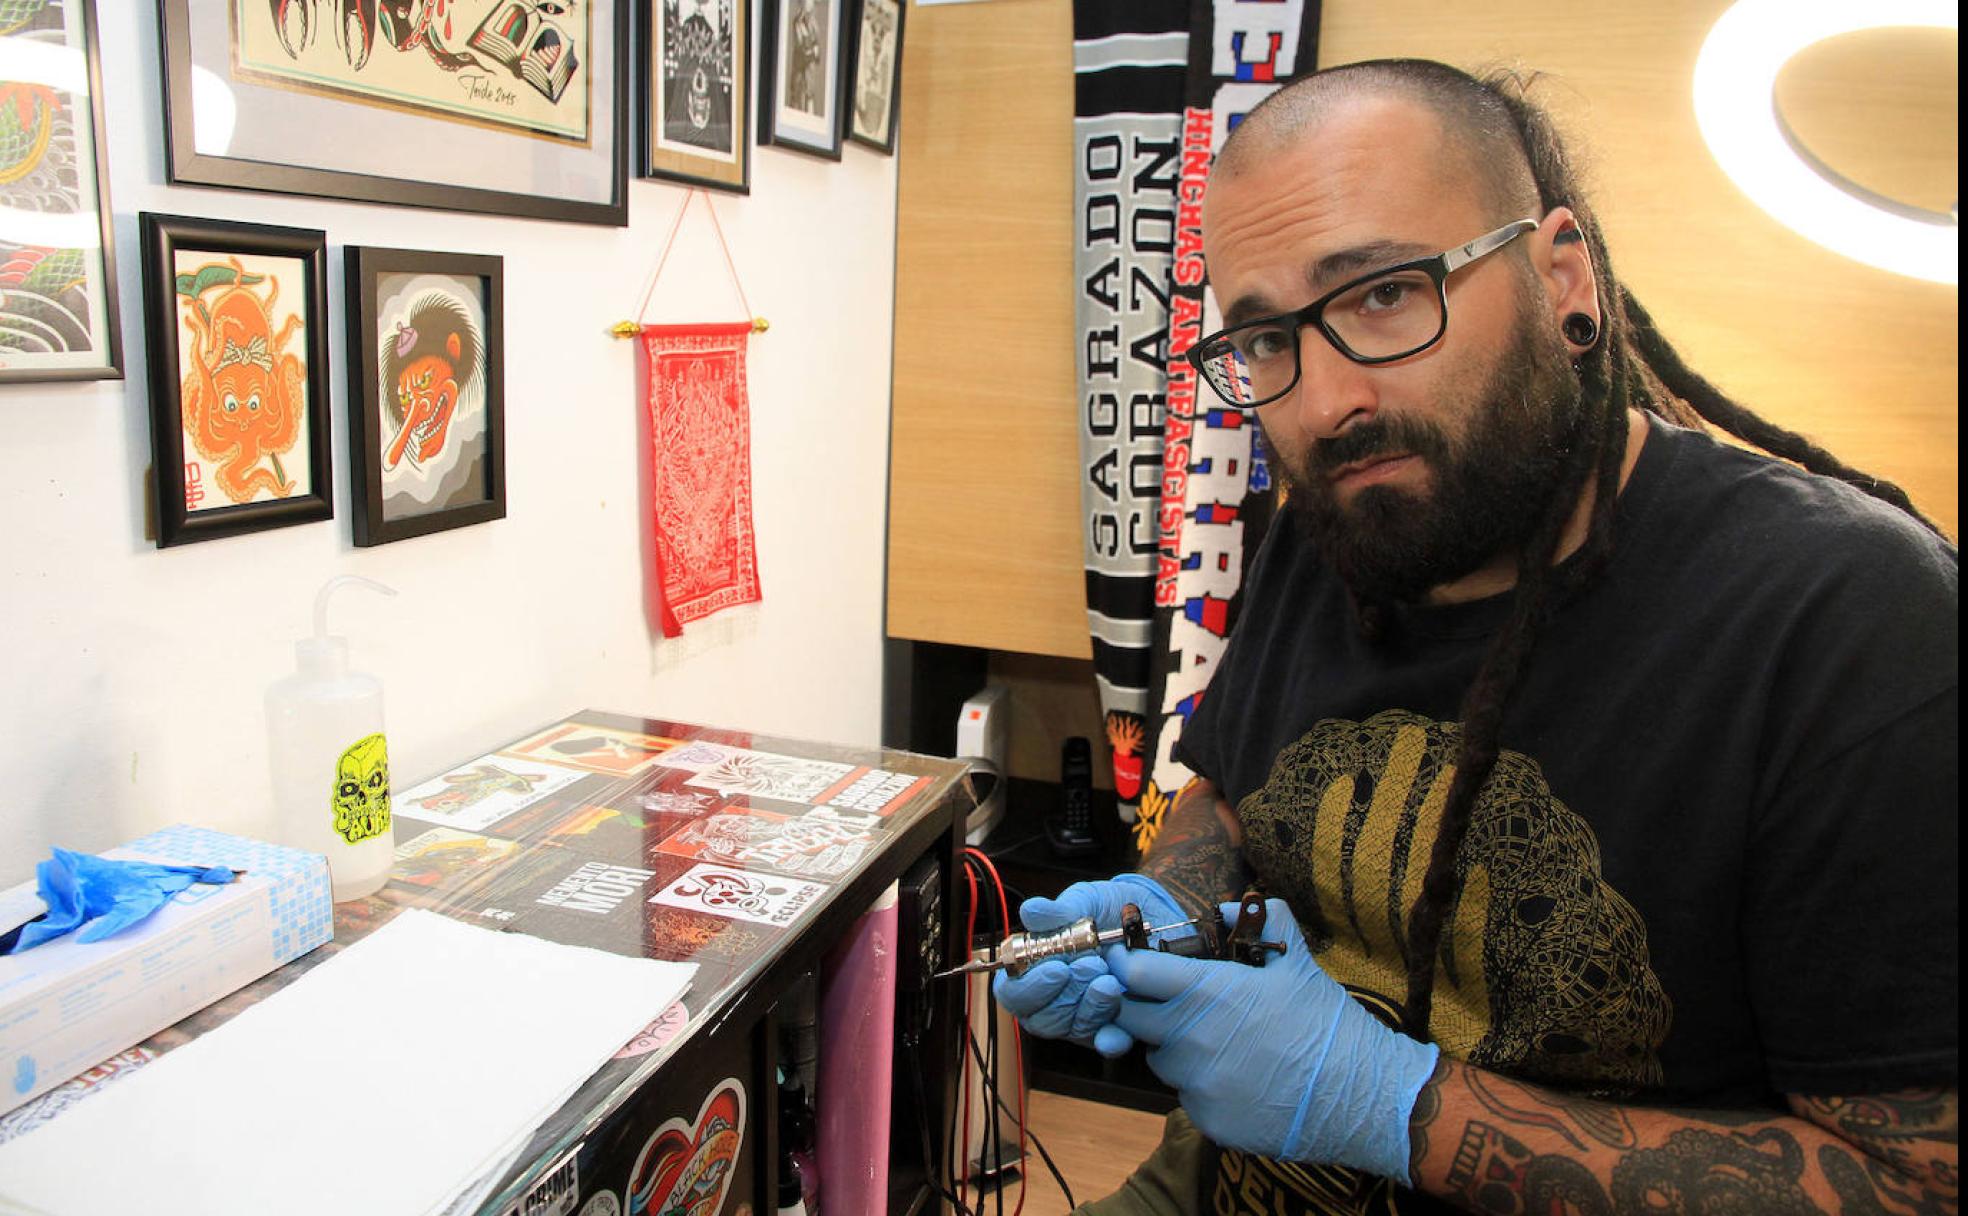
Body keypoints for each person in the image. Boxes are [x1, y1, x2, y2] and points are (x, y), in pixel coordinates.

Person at [997, 59, 1958, 1216]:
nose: (1321, 402)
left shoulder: (1851, 624)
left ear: (1563, 275)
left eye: (1386, 294)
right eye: (1263, 341)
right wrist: (1174, 900)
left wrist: (1396, 1109)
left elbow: (1918, 1185)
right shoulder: (1346, 514)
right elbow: (1236, 793)